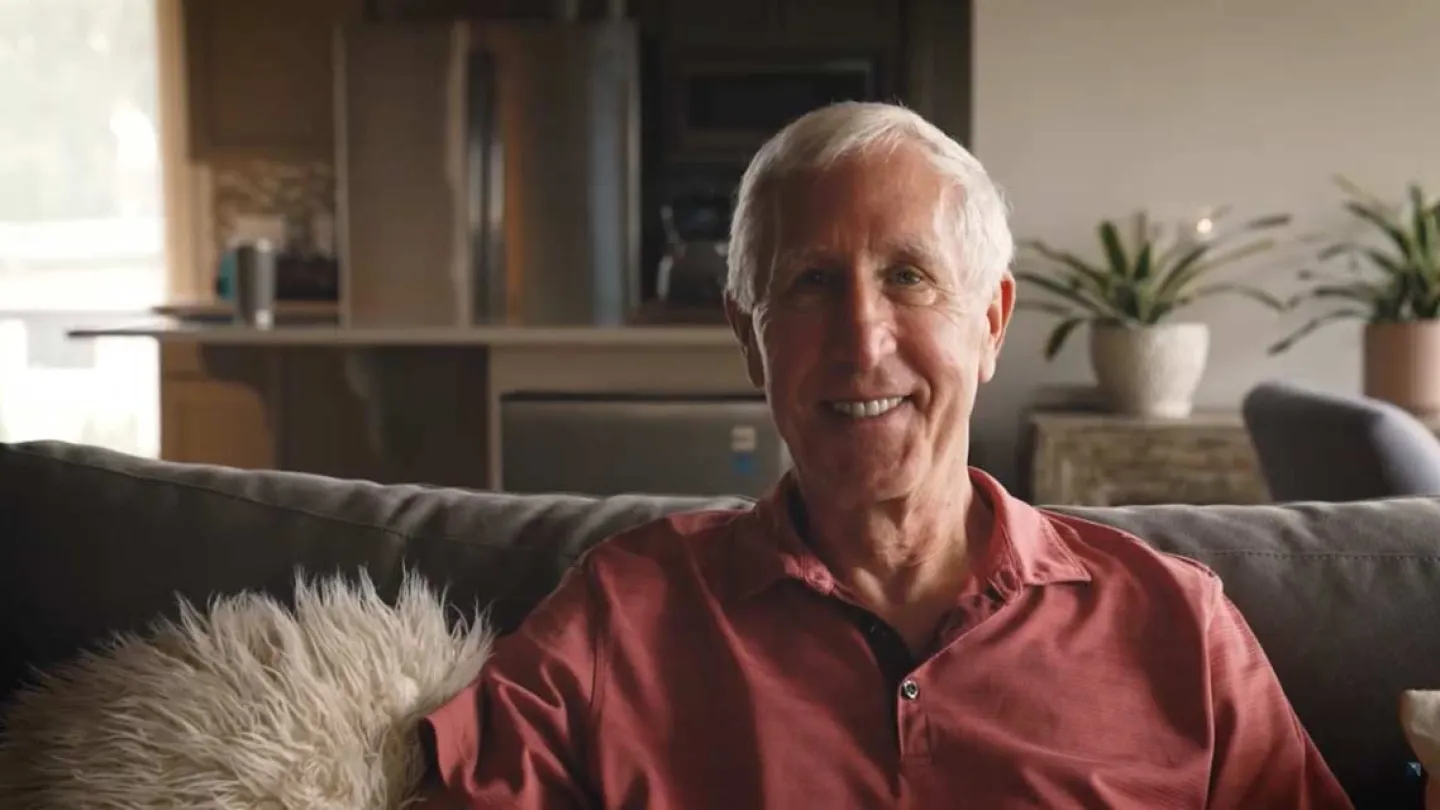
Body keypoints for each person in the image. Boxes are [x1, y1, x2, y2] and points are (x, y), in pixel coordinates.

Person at [417, 101, 1353, 809]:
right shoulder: (621, 616)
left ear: (991, 323)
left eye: (908, 277)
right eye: (812, 282)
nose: (862, 340)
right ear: (749, 338)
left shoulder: (1177, 626)